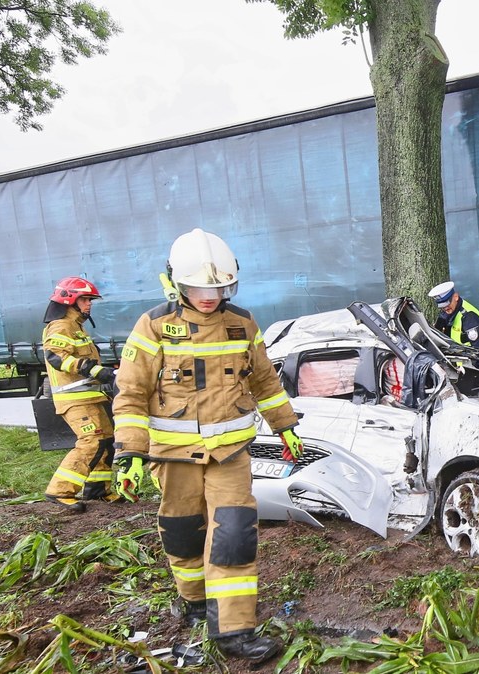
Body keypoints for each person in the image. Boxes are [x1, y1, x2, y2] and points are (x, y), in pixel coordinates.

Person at [112, 228, 302, 665]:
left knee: (235, 534)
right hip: (172, 457)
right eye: (199, 288)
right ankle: (194, 601)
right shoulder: (154, 326)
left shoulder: (242, 324)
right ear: (177, 283)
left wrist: (285, 425)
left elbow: (265, 381)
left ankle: (234, 631)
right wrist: (130, 452)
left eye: (219, 288)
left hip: (230, 455)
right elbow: (130, 394)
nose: (209, 297)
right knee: (182, 533)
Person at [41, 276, 118, 512]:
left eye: (90, 300)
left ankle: (98, 490)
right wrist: (92, 369)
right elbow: (56, 357)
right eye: (85, 299)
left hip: (90, 397)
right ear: (69, 301)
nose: (89, 304)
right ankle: (60, 491)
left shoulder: (76, 327)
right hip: (74, 400)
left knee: (106, 442)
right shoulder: (60, 326)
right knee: (91, 441)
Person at [429, 280, 479, 352]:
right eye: (442, 306)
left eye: (447, 304)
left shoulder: (469, 317)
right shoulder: (449, 311)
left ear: (456, 297)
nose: (445, 308)